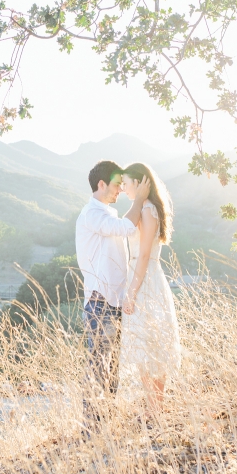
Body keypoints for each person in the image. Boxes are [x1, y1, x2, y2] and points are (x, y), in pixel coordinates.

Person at [74, 160, 150, 423]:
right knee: (98, 366)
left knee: (112, 368)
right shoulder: (92, 214)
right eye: (116, 184)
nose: (119, 189)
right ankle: (92, 428)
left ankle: (105, 422)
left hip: (115, 302)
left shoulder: (107, 214)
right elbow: (126, 229)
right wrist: (139, 200)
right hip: (100, 301)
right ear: (101, 184)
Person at [119, 163, 182, 421]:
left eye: (126, 183)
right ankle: (154, 408)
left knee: (149, 346)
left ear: (139, 183)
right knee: (150, 346)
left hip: (144, 280)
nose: (123, 189)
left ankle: (154, 410)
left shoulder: (146, 209)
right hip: (148, 277)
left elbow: (144, 254)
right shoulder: (149, 208)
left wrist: (132, 291)